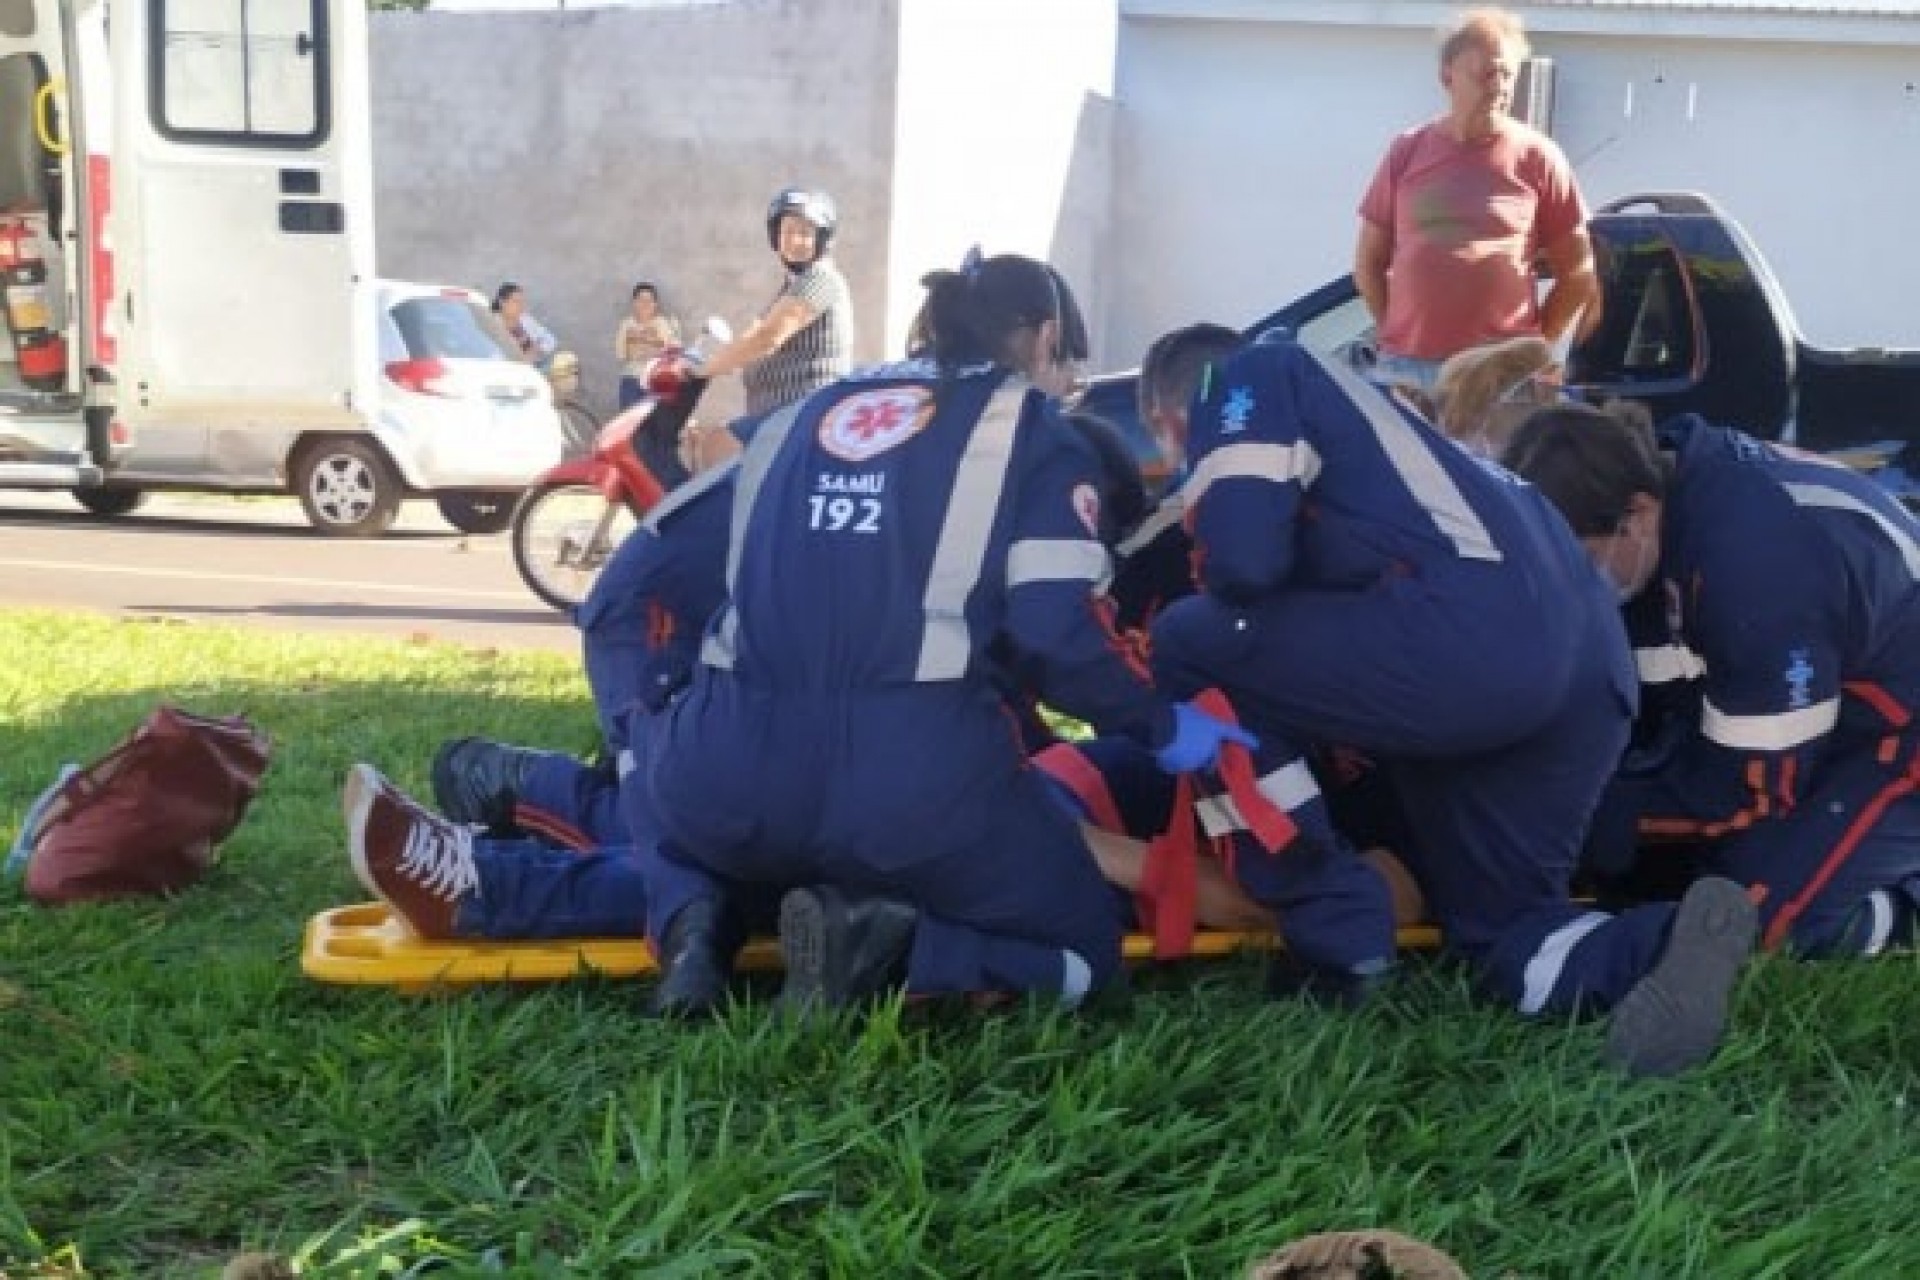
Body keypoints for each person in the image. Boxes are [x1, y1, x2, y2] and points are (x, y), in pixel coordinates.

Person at [624, 252, 1249, 1016]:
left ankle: (697, 923)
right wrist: (1158, 723)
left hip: (726, 780)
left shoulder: (797, 419)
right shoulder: (1034, 431)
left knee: (648, 792)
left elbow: (663, 570)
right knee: (1083, 952)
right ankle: (900, 950)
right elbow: (1055, 627)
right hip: (911, 793)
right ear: (1048, 339)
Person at [1145, 328, 1757, 1077]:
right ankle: (1658, 945)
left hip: (1472, 645)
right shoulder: (1413, 452)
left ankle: (1330, 919)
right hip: (1589, 667)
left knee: (1186, 642)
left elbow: (1241, 562)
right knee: (1505, 927)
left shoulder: (1249, 378)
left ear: (1172, 418)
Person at [1502, 404, 1920, 959]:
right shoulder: (1659, 499)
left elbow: (1752, 788)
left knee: (1758, 920)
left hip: (1898, 722)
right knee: (1677, 871)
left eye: (1579, 559)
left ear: (1638, 514)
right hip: (1828, 690)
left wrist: (1606, 817)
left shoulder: (1759, 572)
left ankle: (1903, 908)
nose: (1562, 583)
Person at [1353, 7, 1597, 393]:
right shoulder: (1407, 152)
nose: (1499, 86)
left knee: (1487, 458)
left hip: (1498, 376)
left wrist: (1534, 348)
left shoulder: (1538, 158)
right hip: (1407, 369)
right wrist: (1393, 333)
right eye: (1486, 73)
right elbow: (1368, 263)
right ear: (1447, 75)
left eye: (1507, 75)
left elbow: (1579, 272)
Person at [672, 188, 854, 417]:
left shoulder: (820, 279)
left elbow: (767, 338)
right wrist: (713, 358)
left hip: (802, 418)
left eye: (805, 232)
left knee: (711, 447)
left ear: (822, 239)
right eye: (787, 231)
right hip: (775, 417)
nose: (795, 240)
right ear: (775, 236)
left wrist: (703, 371)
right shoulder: (792, 287)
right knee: (701, 444)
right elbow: (754, 333)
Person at [614, 282, 681, 410]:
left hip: (656, 379)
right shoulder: (626, 324)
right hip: (632, 377)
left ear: (655, 304)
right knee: (630, 420)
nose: (645, 305)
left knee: (653, 421)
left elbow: (672, 351)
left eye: (649, 301)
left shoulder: (663, 324)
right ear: (634, 303)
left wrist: (649, 342)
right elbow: (621, 354)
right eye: (641, 300)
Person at [492, 282, 559, 370]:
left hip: (537, 365)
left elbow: (550, 339)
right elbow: (494, 359)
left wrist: (539, 349)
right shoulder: (494, 326)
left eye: (522, 302)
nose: (521, 306)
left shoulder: (524, 318)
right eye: (516, 302)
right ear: (502, 303)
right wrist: (523, 360)